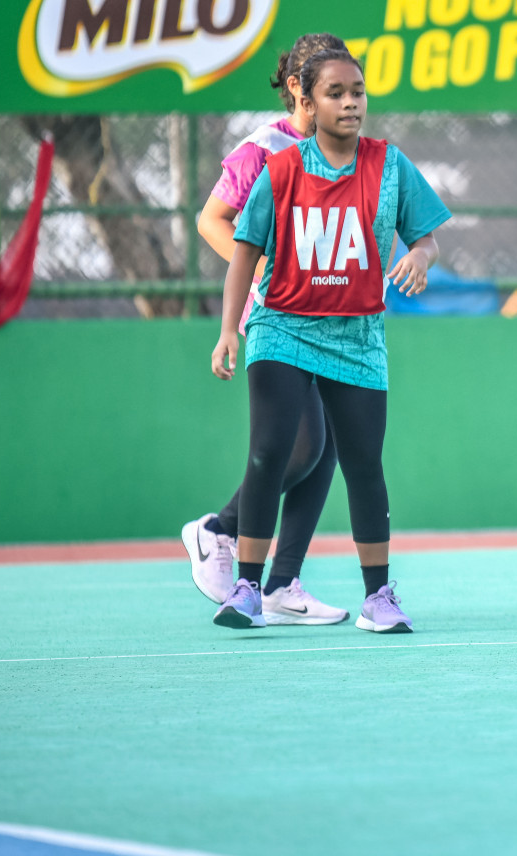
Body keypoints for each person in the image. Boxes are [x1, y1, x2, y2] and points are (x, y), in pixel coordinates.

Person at [209, 48, 451, 633]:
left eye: (358, 92)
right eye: (336, 93)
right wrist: (227, 334)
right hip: (283, 326)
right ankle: (247, 588)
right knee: (269, 453)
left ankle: (378, 598)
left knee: (364, 465)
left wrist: (418, 256)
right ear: (307, 102)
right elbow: (243, 251)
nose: (350, 102)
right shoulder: (282, 169)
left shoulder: (390, 165)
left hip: (356, 335)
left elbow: (428, 238)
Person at [181, 32, 350, 625]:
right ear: (299, 90)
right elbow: (211, 220)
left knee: (325, 444)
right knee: (298, 444)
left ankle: (283, 585)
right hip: (277, 312)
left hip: (331, 314)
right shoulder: (263, 148)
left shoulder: (342, 151)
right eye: (329, 88)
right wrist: (260, 271)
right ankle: (217, 530)